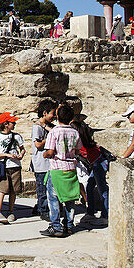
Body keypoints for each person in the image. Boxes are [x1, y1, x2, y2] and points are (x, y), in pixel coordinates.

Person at [41, 104, 82, 238]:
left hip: (57, 168)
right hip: (70, 168)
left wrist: (45, 154)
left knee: (53, 198)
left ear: (57, 116)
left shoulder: (54, 131)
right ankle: (69, 225)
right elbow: (77, 150)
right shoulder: (74, 132)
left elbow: (50, 151)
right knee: (69, 198)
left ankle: (55, 226)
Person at [0, 112, 25, 224]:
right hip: (4, 167)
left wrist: (21, 155)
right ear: (5, 124)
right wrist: (7, 155)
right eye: (12, 122)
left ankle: (10, 211)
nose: (14, 124)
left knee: (14, 190)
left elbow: (22, 148)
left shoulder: (17, 136)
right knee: (3, 190)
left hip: (15, 166)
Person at [30, 98, 57, 221]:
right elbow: (38, 145)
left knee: (49, 189)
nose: (54, 116)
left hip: (49, 163)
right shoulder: (37, 127)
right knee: (42, 189)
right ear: (45, 113)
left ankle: (41, 207)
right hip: (41, 163)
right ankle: (43, 210)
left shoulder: (49, 126)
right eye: (52, 113)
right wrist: (49, 138)